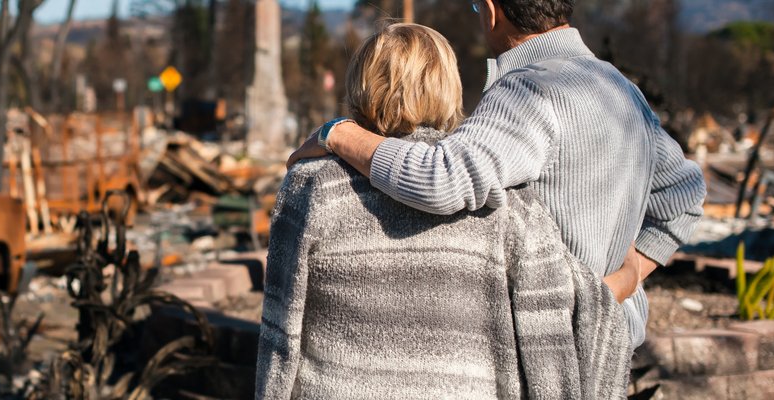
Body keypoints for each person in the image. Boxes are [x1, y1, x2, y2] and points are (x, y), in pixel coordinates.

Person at [288, 0, 707, 349]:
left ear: (492, 11)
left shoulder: (529, 89)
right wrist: (628, 275)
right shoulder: (620, 88)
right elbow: (685, 194)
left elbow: (441, 179)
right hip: (612, 344)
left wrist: (337, 133)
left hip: (549, 352)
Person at [256, 23, 630, 399]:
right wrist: (630, 272)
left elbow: (280, 332)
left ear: (361, 87)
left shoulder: (311, 186)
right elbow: (549, 337)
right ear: (449, 88)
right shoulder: (507, 205)